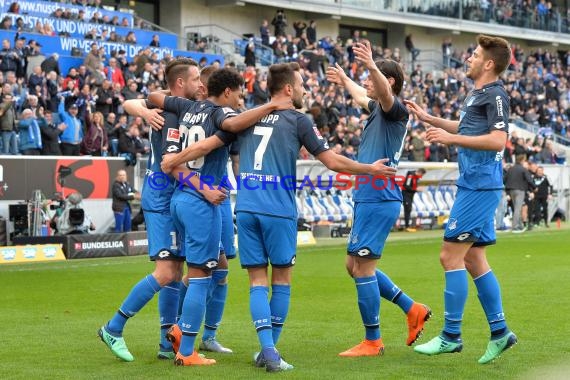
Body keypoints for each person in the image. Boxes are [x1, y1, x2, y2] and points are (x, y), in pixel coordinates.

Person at [163, 62, 397, 371]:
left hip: (245, 208)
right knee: (282, 279)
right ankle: (270, 351)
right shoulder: (299, 120)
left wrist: (174, 160)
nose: (303, 89)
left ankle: (266, 350)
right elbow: (332, 162)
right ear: (288, 88)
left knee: (257, 280)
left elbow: (208, 144)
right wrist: (371, 169)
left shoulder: (245, 119)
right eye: (300, 84)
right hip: (279, 209)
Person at [145, 67, 292, 367]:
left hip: (179, 196)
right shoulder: (218, 114)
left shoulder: (186, 106)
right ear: (227, 92)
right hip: (202, 199)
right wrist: (271, 105)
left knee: (202, 271)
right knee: (201, 276)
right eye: (239, 94)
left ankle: (181, 338)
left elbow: (152, 97)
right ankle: (186, 350)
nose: (241, 100)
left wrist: (145, 109)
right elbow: (230, 124)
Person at [405, 34, 518, 364]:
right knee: (473, 260)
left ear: (488, 64)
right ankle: (500, 333)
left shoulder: (496, 94)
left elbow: (498, 140)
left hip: (480, 186)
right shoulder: (478, 94)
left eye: (475, 54)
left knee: (448, 256)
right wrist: (431, 120)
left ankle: (451, 336)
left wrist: (451, 138)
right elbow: (466, 128)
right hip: (476, 183)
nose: (468, 58)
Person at [326, 42, 431, 358]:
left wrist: (372, 65)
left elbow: (382, 93)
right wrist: (346, 79)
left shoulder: (394, 108)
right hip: (368, 196)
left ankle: (373, 341)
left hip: (378, 195)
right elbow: (363, 94)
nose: (368, 83)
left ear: (390, 83)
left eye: (372, 78)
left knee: (364, 268)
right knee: (353, 265)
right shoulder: (375, 108)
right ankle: (411, 308)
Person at [98, 58, 202, 363]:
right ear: (180, 83)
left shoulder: (186, 109)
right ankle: (113, 327)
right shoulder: (168, 108)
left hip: (175, 192)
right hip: (162, 194)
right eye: (196, 79)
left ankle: (163, 340)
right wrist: (145, 112)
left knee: (176, 271)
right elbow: (129, 102)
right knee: (167, 270)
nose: (200, 84)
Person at [504, 154, 535, 233]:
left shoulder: (511, 169)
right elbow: (529, 180)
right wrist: (534, 187)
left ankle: (520, 226)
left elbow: (504, 179)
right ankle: (515, 227)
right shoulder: (523, 169)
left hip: (511, 190)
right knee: (518, 209)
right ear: (522, 160)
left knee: (517, 208)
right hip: (520, 190)